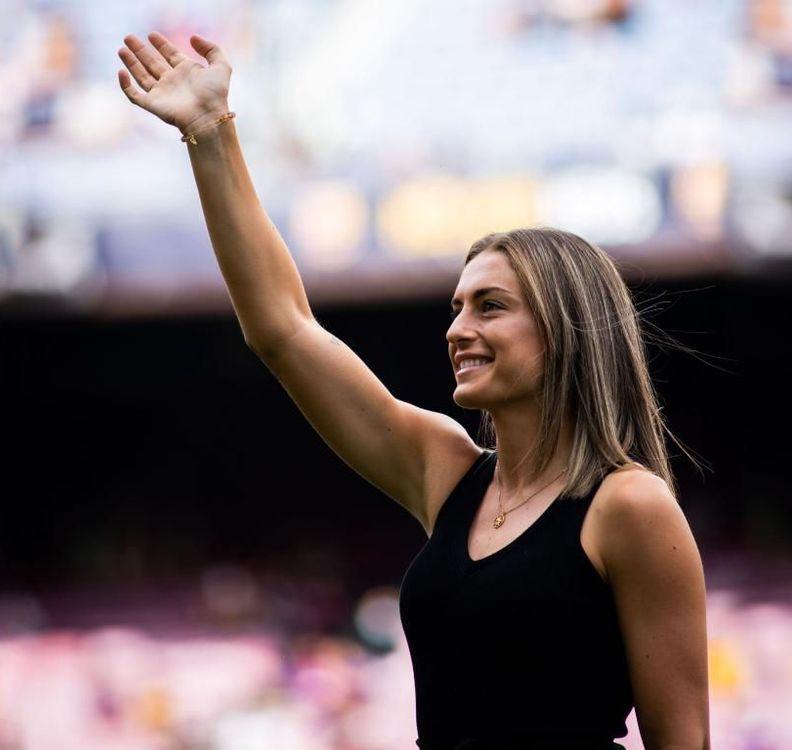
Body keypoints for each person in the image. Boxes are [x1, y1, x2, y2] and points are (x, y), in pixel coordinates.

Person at [117, 31, 710, 750]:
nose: (459, 329)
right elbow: (285, 330)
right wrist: (211, 134)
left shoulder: (629, 506)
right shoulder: (446, 470)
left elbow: (683, 743)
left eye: (490, 306)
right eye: (456, 307)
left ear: (568, 328)